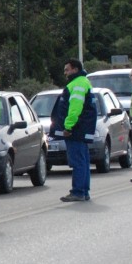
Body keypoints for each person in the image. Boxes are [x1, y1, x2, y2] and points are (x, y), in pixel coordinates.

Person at [49, 58, 95, 203]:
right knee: (83, 161)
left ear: (75, 69)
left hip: (76, 129)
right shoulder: (82, 82)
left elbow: (75, 108)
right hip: (82, 128)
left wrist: (68, 127)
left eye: (67, 69)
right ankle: (84, 191)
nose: (65, 72)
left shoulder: (77, 84)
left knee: (78, 162)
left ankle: (78, 191)